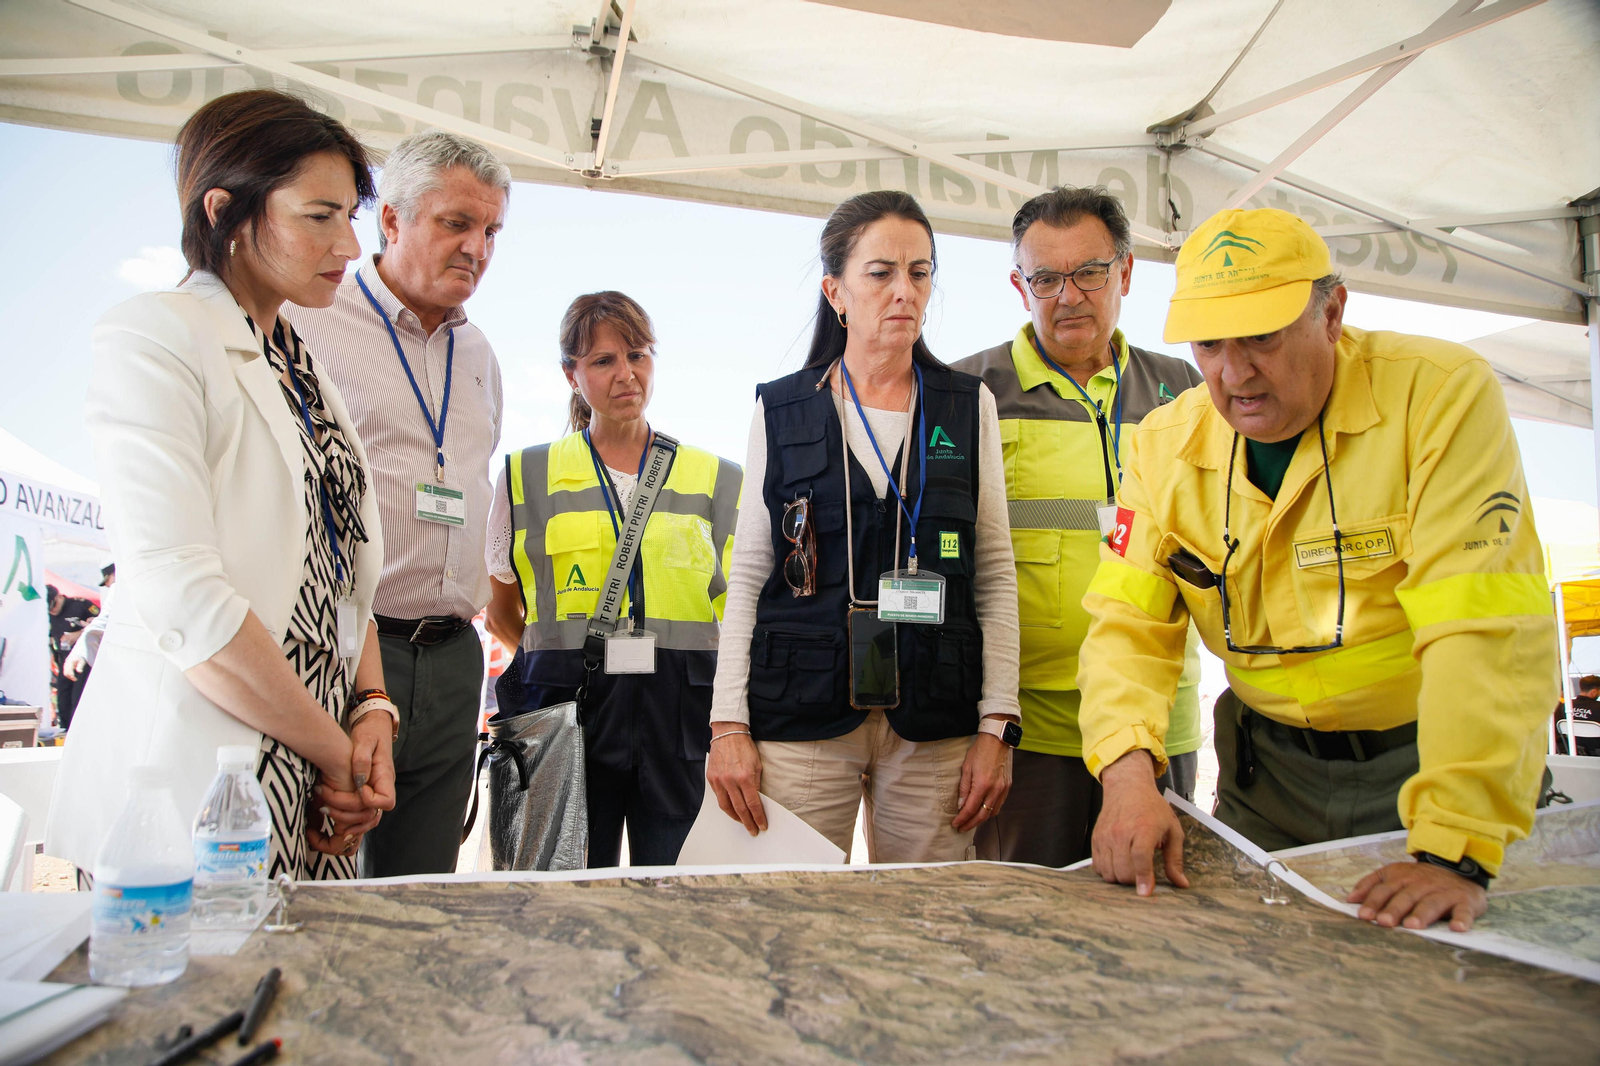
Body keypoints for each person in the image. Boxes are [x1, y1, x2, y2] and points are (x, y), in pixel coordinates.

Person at [1078, 207, 1556, 934]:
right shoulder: (1159, 448)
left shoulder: (1439, 396)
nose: (1234, 374)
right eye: (1209, 344)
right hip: (1263, 779)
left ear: (1332, 313)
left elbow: (1484, 629)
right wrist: (1126, 774)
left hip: (1424, 762)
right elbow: (1125, 630)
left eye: (1263, 337)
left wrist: (1456, 843)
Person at [46, 89, 396, 882]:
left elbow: (343, 575)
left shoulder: (302, 368)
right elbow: (183, 596)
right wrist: (335, 748)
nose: (348, 243)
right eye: (319, 215)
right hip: (196, 774)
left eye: (351, 216)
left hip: (313, 765)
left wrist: (371, 708)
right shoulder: (158, 334)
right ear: (225, 211)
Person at [707, 190, 1022, 862]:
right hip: (802, 711)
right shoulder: (783, 408)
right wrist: (727, 724)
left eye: (920, 271)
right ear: (837, 291)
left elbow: (993, 573)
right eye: (880, 273)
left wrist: (997, 726)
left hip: (934, 721)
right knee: (790, 912)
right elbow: (751, 574)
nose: (904, 291)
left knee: (927, 924)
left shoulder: (968, 407)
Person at [953, 186, 1205, 867]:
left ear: (1125, 273)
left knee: (1156, 920)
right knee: (1025, 938)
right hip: (1027, 734)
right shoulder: (965, 392)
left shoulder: (1185, 389)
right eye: (1046, 277)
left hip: (1159, 723)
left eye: (1090, 272)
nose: (1069, 295)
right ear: (1019, 285)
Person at [286, 129, 508, 877]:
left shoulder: (479, 357)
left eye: (491, 231)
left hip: (452, 658)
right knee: (326, 879)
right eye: (456, 223)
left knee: (423, 892)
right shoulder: (312, 323)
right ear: (391, 221)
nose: (477, 247)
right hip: (350, 650)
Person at [483, 291, 741, 867]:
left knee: (674, 899)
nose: (627, 374)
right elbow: (502, 614)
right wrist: (568, 667)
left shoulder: (718, 479)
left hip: (680, 727)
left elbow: (745, 615)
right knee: (562, 902)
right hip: (566, 723)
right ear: (571, 375)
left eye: (638, 354)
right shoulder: (526, 474)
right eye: (603, 361)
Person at [60, 565, 116, 718]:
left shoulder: (80, 604)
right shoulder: (121, 589)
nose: (108, 585)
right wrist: (79, 651)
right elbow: (102, 622)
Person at [46, 583, 98, 731]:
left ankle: (79, 732)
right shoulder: (48, 617)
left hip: (84, 661)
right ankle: (65, 732)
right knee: (63, 702)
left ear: (60, 596)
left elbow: (101, 624)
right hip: (63, 661)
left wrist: (79, 633)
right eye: (49, 609)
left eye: (54, 605)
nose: (53, 610)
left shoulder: (79, 604)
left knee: (78, 700)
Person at [1553, 675, 1600, 756]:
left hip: (1571, 750)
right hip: (1596, 753)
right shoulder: (1598, 708)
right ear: (1594, 692)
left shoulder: (1565, 706)